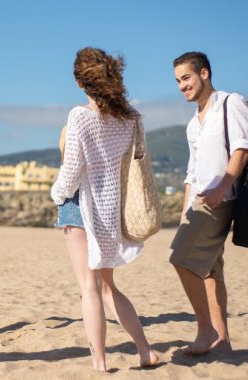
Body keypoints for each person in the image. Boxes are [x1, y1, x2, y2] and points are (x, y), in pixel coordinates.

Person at [51, 47, 159, 371]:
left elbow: (71, 172)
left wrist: (56, 195)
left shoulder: (80, 116)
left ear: (80, 82)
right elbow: (134, 159)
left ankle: (99, 362)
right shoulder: (132, 118)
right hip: (111, 210)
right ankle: (145, 351)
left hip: (80, 205)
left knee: (88, 288)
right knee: (109, 288)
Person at [170, 51, 248, 355]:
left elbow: (243, 148)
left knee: (180, 259)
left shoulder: (231, 103)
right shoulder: (193, 124)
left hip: (221, 198)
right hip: (199, 202)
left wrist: (223, 186)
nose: (182, 85)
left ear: (204, 73)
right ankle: (222, 340)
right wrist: (185, 210)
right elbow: (192, 171)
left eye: (187, 77)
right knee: (209, 269)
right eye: (178, 80)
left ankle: (205, 330)